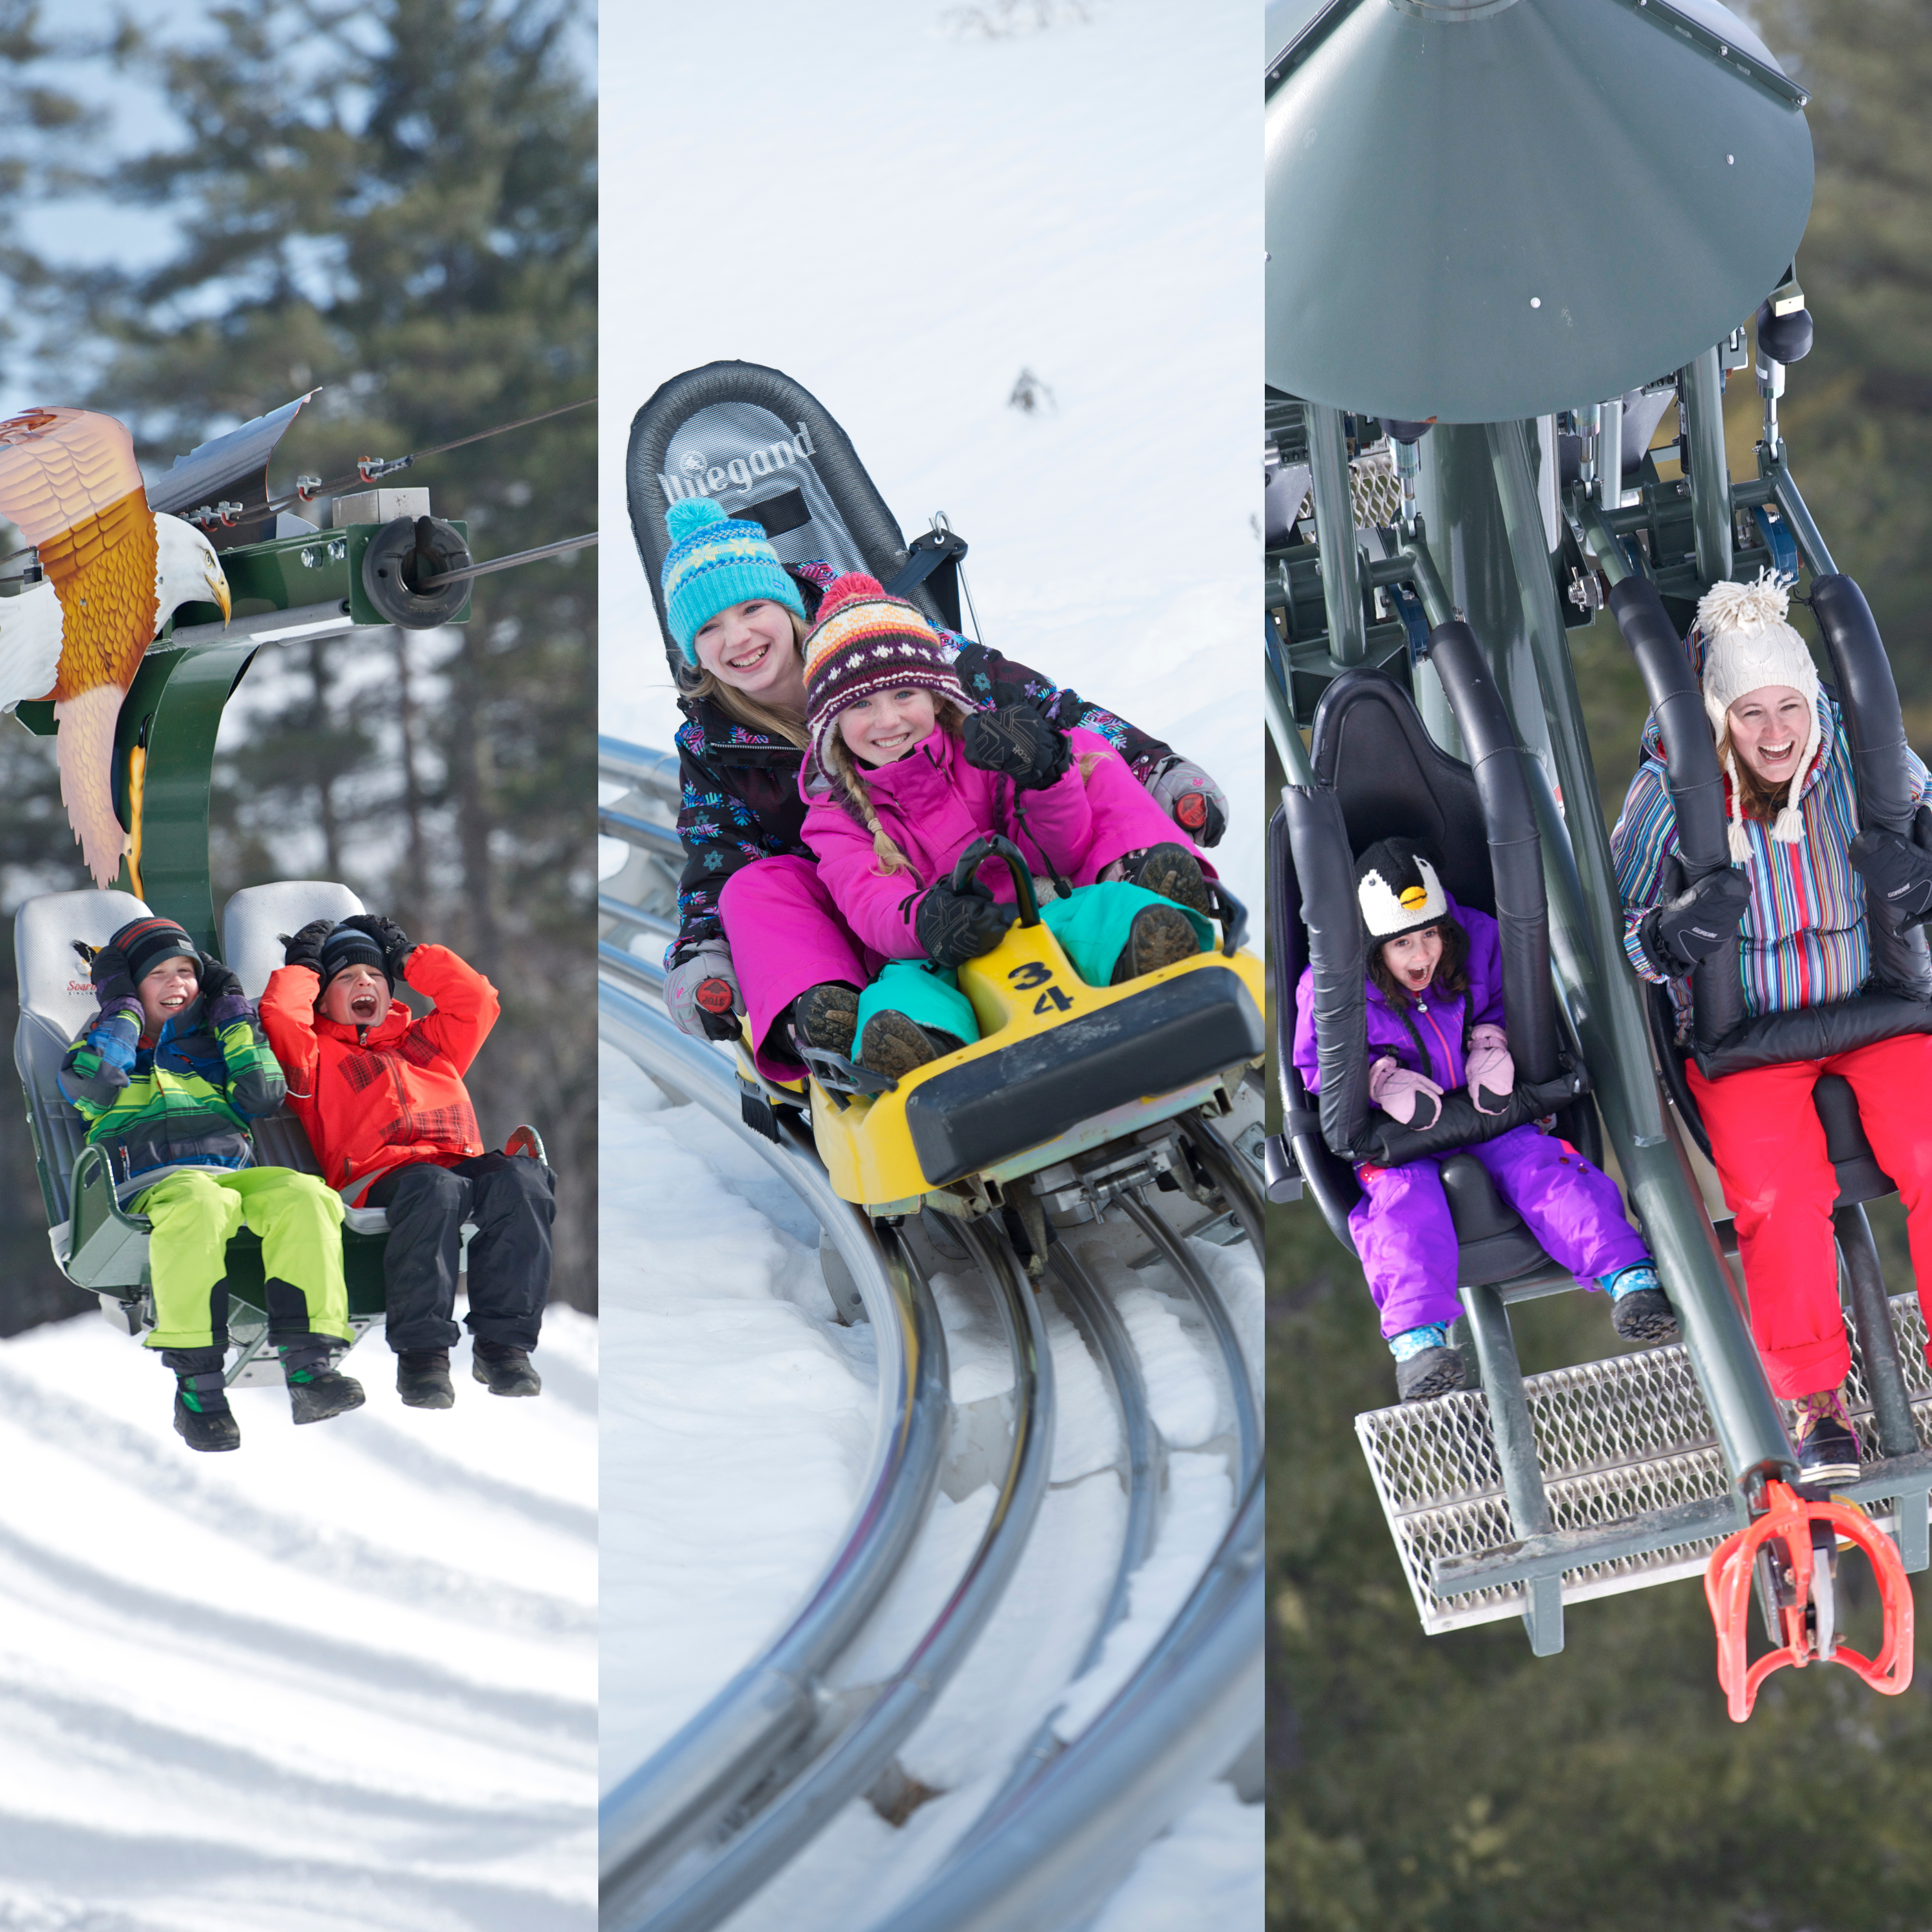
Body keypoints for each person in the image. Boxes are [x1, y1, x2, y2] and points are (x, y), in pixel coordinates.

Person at [651, 495, 1229, 1080]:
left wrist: (1139, 766)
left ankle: (1144, 889)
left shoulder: (892, 639)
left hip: (1021, 863)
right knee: (756, 887)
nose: (739, 638)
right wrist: (703, 956)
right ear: (691, 649)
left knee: (1076, 751)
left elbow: (1050, 709)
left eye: (752, 608)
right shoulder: (720, 748)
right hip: (880, 916)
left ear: (783, 601)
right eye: (709, 627)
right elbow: (718, 858)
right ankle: (836, 1016)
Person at [1613, 571, 1932, 1483]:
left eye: (1788, 707)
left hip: (1876, 1005)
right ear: (1716, 719)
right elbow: (1624, 934)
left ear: (1815, 703)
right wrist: (1673, 938)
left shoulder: (1874, 764)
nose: (1775, 734)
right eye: (1749, 715)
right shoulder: (1664, 801)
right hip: (1748, 1032)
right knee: (1776, 1192)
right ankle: (1814, 1400)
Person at [793, 571, 1219, 1075]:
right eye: (861, 704)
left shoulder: (983, 748)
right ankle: (920, 1046)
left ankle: (1148, 950)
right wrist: (925, 922)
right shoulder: (835, 816)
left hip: (1041, 913)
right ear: (833, 723)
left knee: (1106, 910)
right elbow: (869, 902)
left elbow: (1055, 855)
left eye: (905, 695)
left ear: (936, 696)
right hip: (940, 953)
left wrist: (1046, 779)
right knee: (901, 993)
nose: (888, 721)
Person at [1294, 839, 1669, 1403]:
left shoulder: (1477, 945)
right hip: (1400, 1138)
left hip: (1486, 1111)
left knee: (1545, 1171)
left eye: (1429, 934)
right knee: (1404, 1213)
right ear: (1375, 949)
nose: (1421, 955)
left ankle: (1628, 1275)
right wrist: (1377, 1079)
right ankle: (1419, 1341)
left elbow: (1503, 1002)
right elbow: (1314, 1064)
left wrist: (1490, 1043)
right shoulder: (1335, 990)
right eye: (1402, 944)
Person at [57, 914, 360, 1451]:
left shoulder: (214, 1046)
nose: (177, 984)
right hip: (146, 1183)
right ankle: (198, 1386)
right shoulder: (101, 1045)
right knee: (199, 1200)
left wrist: (233, 1014)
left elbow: (264, 1092)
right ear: (129, 986)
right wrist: (123, 1009)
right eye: (158, 976)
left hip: (230, 1178)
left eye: (187, 972)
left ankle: (310, 1364)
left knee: (306, 1194)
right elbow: (96, 1084)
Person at [259, 914, 553, 1407]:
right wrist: (305, 966)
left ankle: (505, 1347)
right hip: (377, 1175)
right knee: (434, 1189)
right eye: (347, 978)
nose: (364, 984)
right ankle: (423, 1356)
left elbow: (477, 1000)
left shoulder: (427, 1042)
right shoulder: (314, 1057)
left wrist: (407, 954)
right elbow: (282, 1015)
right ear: (323, 996)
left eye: (375, 975)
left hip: (458, 1162)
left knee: (523, 1181)